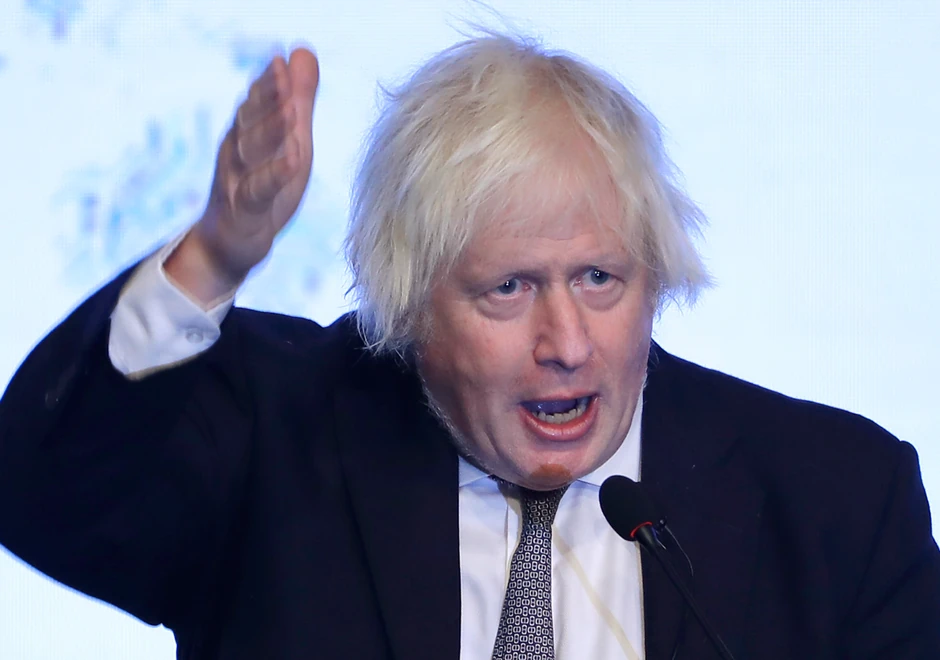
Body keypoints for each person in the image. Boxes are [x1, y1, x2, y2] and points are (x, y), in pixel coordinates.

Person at [0, 32, 938, 660]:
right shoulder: (275, 442)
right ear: (408, 303)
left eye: (599, 279)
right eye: (509, 288)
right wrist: (212, 256)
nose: (566, 344)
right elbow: (45, 497)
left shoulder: (836, 501)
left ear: (656, 275)